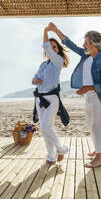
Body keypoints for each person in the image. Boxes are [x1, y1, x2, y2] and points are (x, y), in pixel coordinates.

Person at [49, 22, 101, 168]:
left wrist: (88, 87)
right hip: (89, 96)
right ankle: (98, 150)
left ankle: (99, 158)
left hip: (98, 96)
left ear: (94, 44)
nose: (83, 45)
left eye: (86, 42)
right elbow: (69, 44)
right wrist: (56, 31)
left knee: (97, 127)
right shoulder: (86, 56)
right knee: (91, 124)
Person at [32, 24, 69, 164]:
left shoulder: (58, 61)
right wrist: (36, 80)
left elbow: (46, 46)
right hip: (39, 99)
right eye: (51, 47)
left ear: (58, 51)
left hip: (52, 99)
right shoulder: (43, 65)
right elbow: (36, 79)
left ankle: (61, 148)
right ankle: (51, 156)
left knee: (45, 127)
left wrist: (45, 31)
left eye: (55, 47)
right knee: (45, 130)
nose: (52, 49)